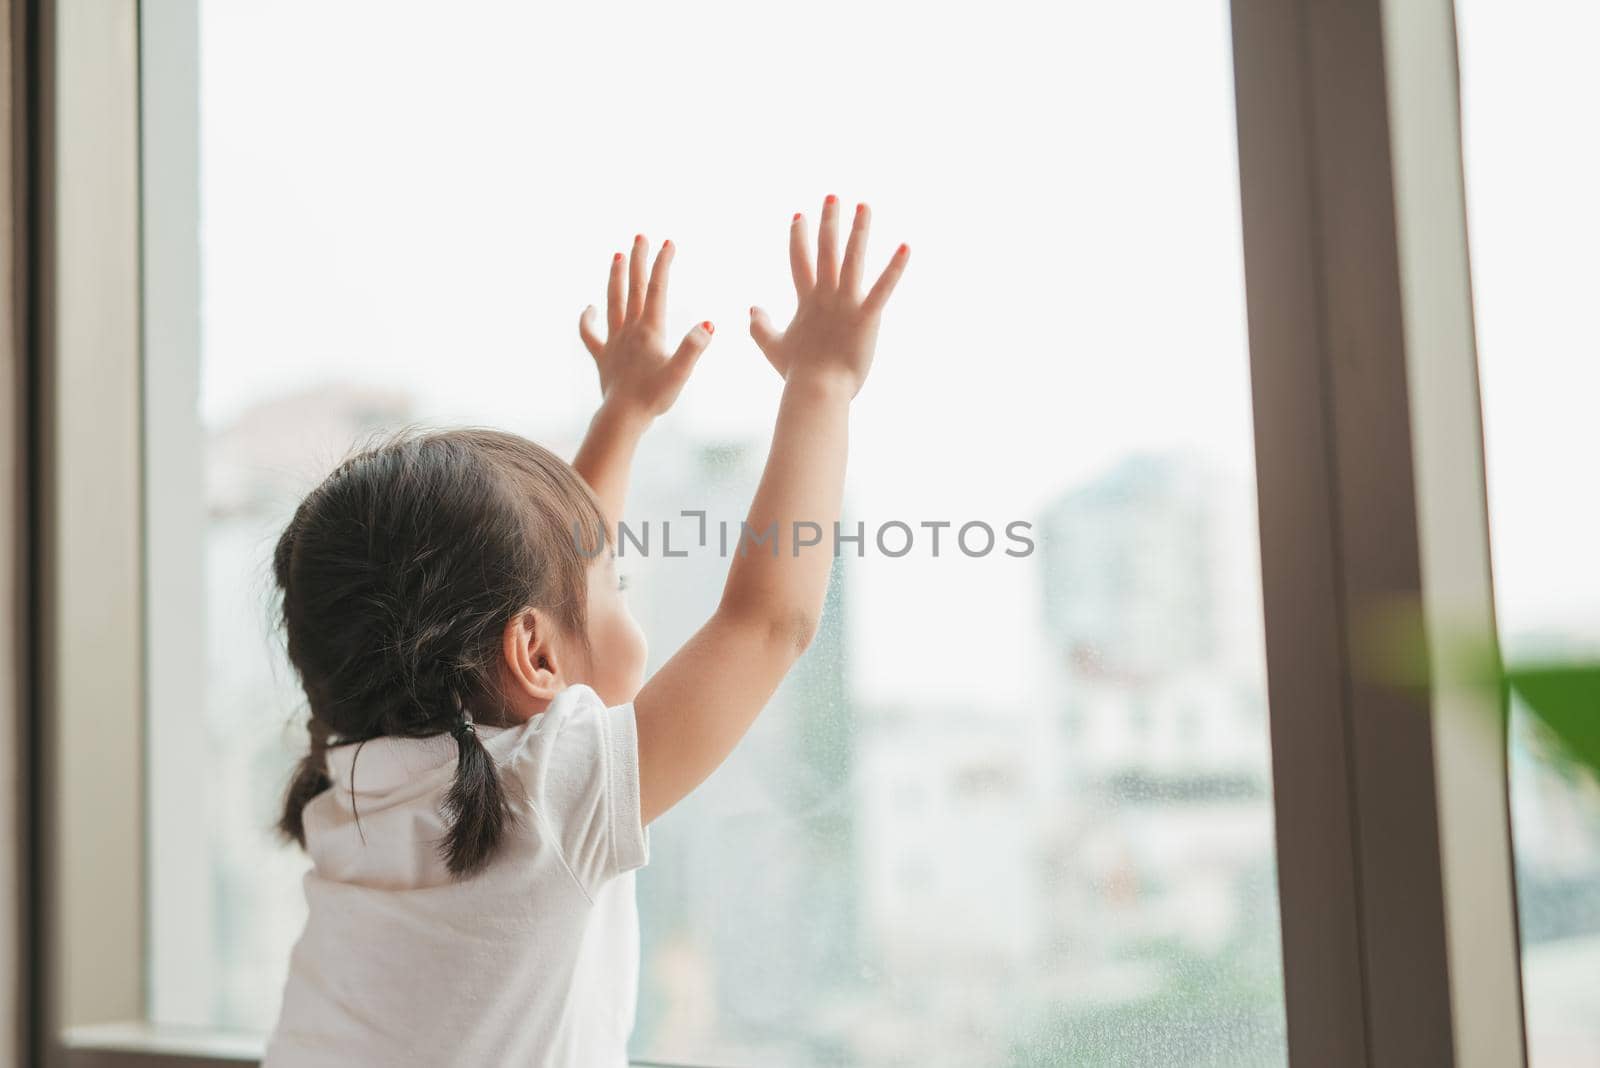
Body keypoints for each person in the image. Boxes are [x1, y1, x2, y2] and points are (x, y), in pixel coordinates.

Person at [261, 195, 908, 1066]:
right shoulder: (546, 799)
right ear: (531, 653)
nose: (624, 594)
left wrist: (623, 416)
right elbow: (766, 623)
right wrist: (821, 386)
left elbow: (555, 598)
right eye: (621, 584)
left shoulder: (354, 787)